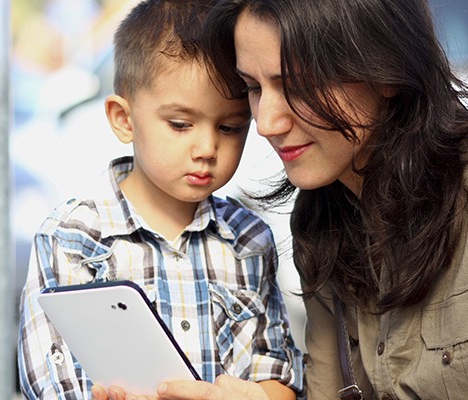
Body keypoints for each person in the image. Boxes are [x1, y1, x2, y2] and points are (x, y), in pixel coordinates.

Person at [131, 0, 468, 399]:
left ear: (387, 71)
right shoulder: (321, 217)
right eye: (253, 88)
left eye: (297, 86)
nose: (267, 122)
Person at [16, 1, 304, 399]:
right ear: (123, 119)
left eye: (230, 127)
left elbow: (280, 375)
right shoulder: (72, 238)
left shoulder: (249, 240)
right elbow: (51, 380)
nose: (206, 147)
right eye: (181, 124)